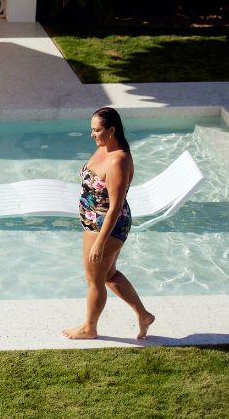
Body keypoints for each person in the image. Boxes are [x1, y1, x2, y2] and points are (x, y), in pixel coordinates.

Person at [62, 107, 155, 340]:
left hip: (108, 225)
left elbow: (115, 206)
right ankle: (144, 315)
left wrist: (100, 243)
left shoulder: (118, 161)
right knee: (108, 274)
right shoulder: (104, 148)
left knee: (94, 279)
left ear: (111, 130)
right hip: (93, 222)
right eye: (91, 129)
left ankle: (89, 328)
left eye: (96, 130)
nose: (92, 134)